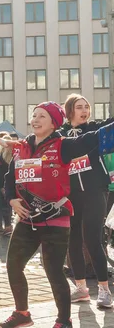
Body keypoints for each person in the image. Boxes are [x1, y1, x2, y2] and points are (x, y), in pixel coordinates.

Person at [0, 102, 114, 328]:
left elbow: (96, 138)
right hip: (26, 219)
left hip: (56, 218)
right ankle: (22, 314)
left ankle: (64, 321)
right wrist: (11, 199)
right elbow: (9, 179)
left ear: (54, 123)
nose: (35, 119)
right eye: (34, 115)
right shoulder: (21, 147)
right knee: (13, 265)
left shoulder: (65, 145)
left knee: (54, 271)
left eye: (42, 116)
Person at [60, 94, 113, 308]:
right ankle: (80, 288)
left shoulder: (95, 129)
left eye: (86, 107)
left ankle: (104, 290)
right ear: (69, 110)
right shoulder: (60, 133)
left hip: (95, 190)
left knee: (92, 239)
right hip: (70, 194)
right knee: (72, 240)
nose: (84, 110)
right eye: (79, 107)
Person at [0, 132, 14, 236]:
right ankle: (8, 226)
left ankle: (0, 226)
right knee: (8, 206)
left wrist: (1, 186)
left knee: (0, 206)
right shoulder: (12, 157)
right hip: (9, 185)